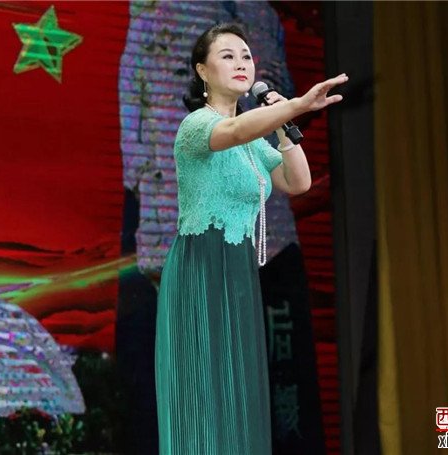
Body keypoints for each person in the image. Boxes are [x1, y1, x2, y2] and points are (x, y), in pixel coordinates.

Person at [155, 22, 348, 454]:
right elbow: (235, 131)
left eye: (246, 55)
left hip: (238, 271)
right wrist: (298, 104)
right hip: (200, 268)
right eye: (228, 56)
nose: (241, 63)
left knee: (238, 388)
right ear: (202, 71)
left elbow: (298, 182)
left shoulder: (255, 140)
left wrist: (286, 125)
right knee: (204, 390)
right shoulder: (197, 125)